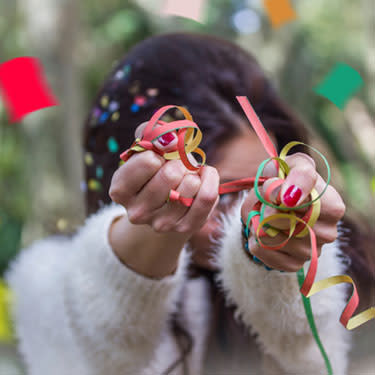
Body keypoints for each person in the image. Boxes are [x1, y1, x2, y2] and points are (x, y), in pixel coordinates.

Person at [5, 33, 374, 375]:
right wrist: (151, 235)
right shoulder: (47, 286)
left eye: (261, 187)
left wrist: (280, 267)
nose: (238, 214)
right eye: (222, 195)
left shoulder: (356, 267)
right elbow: (98, 347)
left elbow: (314, 360)